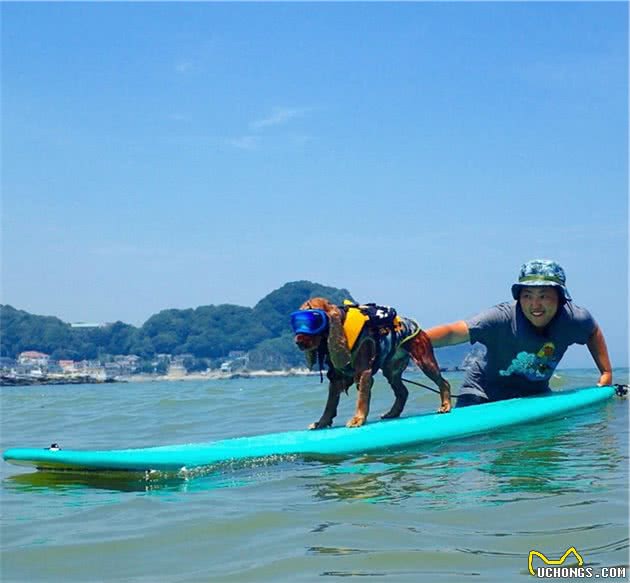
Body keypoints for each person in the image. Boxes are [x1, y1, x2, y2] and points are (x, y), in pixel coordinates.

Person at [426, 259, 613, 407]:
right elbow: (453, 332)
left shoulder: (574, 318)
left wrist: (606, 371)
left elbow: (592, 332)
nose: (535, 305)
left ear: (560, 297)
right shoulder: (500, 317)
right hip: (482, 392)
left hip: (534, 396)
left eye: (543, 296)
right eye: (527, 296)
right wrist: (412, 340)